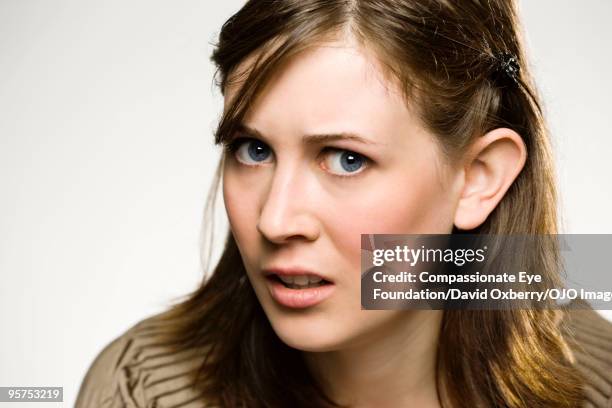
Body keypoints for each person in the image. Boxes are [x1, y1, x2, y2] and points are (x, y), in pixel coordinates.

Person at [76, 1, 612, 407]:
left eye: (345, 159)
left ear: (477, 178)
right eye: (253, 149)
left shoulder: (596, 384)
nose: (275, 220)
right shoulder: (138, 390)